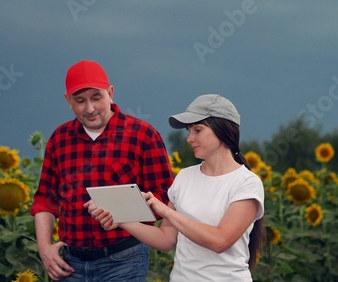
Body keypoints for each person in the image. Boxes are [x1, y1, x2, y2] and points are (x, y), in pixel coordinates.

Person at [87, 94, 266, 281]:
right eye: (189, 131)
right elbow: (166, 240)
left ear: (223, 130)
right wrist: (121, 218)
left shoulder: (246, 183)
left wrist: (166, 211)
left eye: (198, 130)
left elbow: (220, 241)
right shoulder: (185, 177)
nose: (190, 138)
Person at [30, 59, 174, 281]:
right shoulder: (59, 140)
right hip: (70, 264)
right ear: (68, 101)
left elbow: (165, 196)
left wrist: (122, 212)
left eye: (96, 98)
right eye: (80, 101)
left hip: (124, 260)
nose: (89, 109)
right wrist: (44, 248)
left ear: (110, 93)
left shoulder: (142, 135)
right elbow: (44, 201)